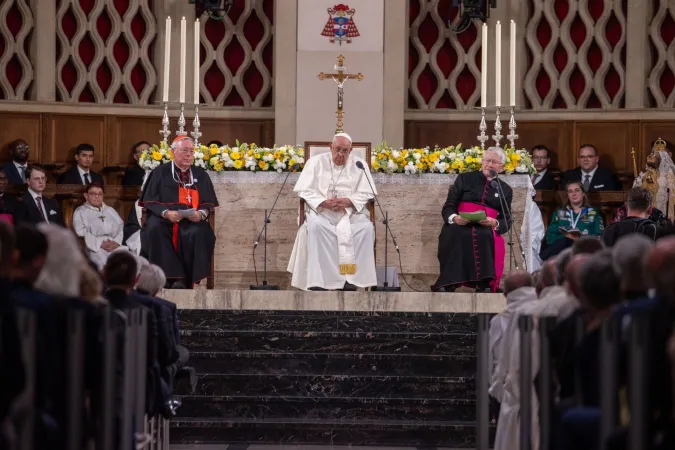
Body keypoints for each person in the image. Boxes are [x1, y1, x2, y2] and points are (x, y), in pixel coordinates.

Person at [287, 132, 377, 291]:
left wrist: (350, 201)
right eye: (337, 149)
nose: (340, 154)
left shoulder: (359, 165)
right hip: (322, 212)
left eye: (345, 151)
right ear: (330, 147)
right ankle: (320, 280)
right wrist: (324, 203)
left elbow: (367, 192)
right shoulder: (315, 163)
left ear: (351, 150)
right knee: (315, 227)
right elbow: (304, 190)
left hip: (350, 214)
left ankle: (352, 280)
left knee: (366, 229)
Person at [139, 135, 218, 289]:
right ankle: (170, 278)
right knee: (155, 229)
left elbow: (208, 204)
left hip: (191, 219)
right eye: (184, 150)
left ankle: (187, 279)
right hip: (164, 218)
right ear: (173, 152)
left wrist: (201, 214)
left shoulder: (200, 174)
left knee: (199, 232)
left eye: (191, 151)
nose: (189, 154)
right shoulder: (160, 172)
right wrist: (166, 213)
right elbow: (149, 201)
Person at [433, 146, 513, 293]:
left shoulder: (505, 189)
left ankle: (484, 283)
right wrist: (454, 218)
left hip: (485, 227)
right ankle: (449, 282)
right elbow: (449, 205)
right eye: (487, 160)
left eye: (494, 162)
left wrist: (494, 223)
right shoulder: (465, 178)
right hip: (460, 223)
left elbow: (506, 218)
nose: (489, 164)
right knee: (453, 233)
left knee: (484, 235)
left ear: (501, 167)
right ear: (482, 162)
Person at [540, 181, 604, 260]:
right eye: (570, 191)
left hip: (583, 249)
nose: (574, 194)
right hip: (561, 251)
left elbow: (598, 236)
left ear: (583, 193)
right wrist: (566, 236)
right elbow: (550, 237)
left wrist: (581, 238)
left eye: (577, 190)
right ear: (567, 195)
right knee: (563, 242)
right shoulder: (559, 213)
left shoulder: (593, 213)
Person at [72, 182, 126, 269]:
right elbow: (80, 231)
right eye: (93, 194)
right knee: (102, 263)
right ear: (86, 196)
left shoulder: (110, 210)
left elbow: (121, 226)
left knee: (130, 259)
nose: (97, 197)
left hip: (114, 245)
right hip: (94, 247)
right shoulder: (80, 211)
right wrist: (99, 243)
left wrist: (116, 242)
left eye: (100, 194)